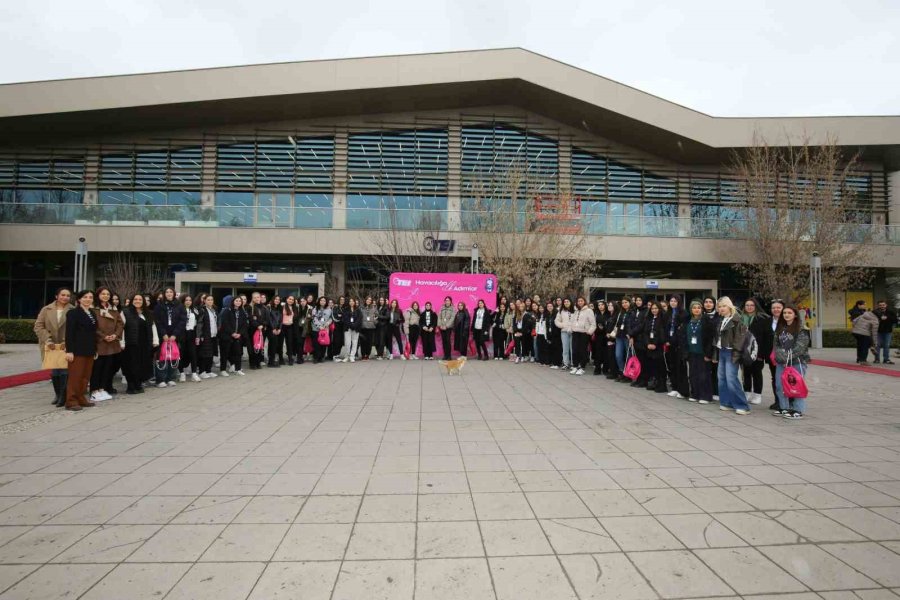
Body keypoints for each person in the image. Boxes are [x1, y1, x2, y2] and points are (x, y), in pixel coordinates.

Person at [34, 287, 74, 407]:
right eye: (63, 295)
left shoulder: (73, 310)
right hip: (50, 345)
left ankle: (63, 396)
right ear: (56, 296)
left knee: (64, 369)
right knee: (55, 370)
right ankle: (58, 394)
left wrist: (68, 341)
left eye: (68, 295)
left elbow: (75, 328)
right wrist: (47, 339)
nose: (65, 297)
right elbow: (38, 326)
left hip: (65, 345)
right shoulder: (46, 309)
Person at [773, 304, 811, 419]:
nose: (786, 315)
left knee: (796, 386)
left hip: (797, 362)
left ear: (795, 315)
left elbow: (800, 347)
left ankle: (798, 410)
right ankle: (784, 407)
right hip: (782, 362)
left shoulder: (802, 329)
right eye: (785, 313)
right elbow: (776, 345)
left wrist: (786, 357)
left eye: (789, 313)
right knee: (780, 385)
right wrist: (781, 356)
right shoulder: (780, 328)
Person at [713, 297, 750, 414]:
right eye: (719, 306)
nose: (721, 308)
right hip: (722, 351)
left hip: (731, 352)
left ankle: (742, 405)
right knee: (722, 378)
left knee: (731, 379)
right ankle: (726, 402)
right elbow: (717, 339)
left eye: (724, 306)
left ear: (729, 306)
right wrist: (715, 355)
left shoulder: (737, 320)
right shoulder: (722, 319)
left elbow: (740, 339)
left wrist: (736, 354)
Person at [64, 290, 98, 411]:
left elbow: (93, 333)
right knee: (75, 376)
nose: (88, 299)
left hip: (89, 349)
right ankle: (71, 401)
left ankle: (81, 397)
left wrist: (95, 349)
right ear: (79, 299)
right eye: (85, 297)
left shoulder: (92, 313)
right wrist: (69, 351)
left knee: (85, 376)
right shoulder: (73, 313)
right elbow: (69, 333)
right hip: (77, 350)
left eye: (90, 297)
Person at [89, 287, 124, 401]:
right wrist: (103, 336)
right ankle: (94, 390)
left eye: (108, 294)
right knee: (97, 368)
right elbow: (92, 326)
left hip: (112, 343)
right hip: (99, 343)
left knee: (107, 368)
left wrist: (115, 335)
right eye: (103, 294)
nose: (106, 296)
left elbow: (120, 324)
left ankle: (102, 389)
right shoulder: (93, 308)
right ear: (98, 295)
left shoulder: (113, 308)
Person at [121, 293, 157, 394]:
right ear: (132, 301)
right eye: (135, 299)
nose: (138, 301)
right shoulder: (125, 312)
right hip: (131, 343)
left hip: (144, 344)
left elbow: (153, 327)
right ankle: (131, 386)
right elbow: (121, 328)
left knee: (142, 365)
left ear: (143, 302)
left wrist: (155, 341)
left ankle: (138, 384)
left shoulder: (148, 313)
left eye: (140, 300)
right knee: (131, 365)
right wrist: (122, 342)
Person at [680, 300, 713, 404]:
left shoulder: (706, 320)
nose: (696, 310)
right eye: (694, 308)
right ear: (691, 309)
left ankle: (705, 396)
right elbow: (683, 337)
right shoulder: (688, 321)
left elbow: (710, 338)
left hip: (702, 353)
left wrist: (708, 353)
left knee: (703, 375)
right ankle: (695, 394)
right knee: (693, 374)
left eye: (698, 307)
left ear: (702, 309)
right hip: (691, 352)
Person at [153, 287, 186, 387]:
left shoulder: (179, 305)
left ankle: (171, 378)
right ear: (164, 294)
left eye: (171, 292)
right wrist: (163, 333)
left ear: (174, 293)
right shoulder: (159, 305)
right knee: (162, 357)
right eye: (167, 292)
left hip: (175, 336)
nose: (169, 293)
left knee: (173, 356)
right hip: (162, 336)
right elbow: (157, 321)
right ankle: (160, 379)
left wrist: (175, 334)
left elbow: (182, 320)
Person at [741, 298, 771, 405]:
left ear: (756, 306)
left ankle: (757, 394)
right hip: (744, 351)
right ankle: (747, 393)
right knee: (746, 373)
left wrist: (762, 354)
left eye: (752, 305)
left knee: (757, 373)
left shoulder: (763, 319)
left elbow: (766, 338)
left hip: (758, 351)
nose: (749, 307)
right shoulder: (741, 319)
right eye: (747, 305)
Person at [640, 301, 668, 392]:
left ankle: (662, 385)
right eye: (652, 308)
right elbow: (645, 333)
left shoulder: (663, 319)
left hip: (658, 346)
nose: (654, 310)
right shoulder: (649, 318)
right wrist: (648, 343)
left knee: (660, 366)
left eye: (656, 308)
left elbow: (662, 334)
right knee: (652, 365)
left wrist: (655, 344)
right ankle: (655, 382)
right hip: (649, 345)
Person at [665, 296, 689, 399]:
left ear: (679, 302)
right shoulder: (668, 313)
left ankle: (682, 390)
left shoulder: (684, 313)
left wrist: (674, 340)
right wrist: (667, 340)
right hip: (670, 344)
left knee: (680, 368)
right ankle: (674, 388)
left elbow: (682, 330)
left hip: (679, 344)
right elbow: (666, 328)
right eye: (671, 301)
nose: (673, 303)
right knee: (672, 366)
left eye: (675, 301)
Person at [218, 295, 247, 375]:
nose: (238, 302)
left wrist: (240, 333)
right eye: (236, 301)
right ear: (233, 302)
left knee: (238, 353)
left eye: (240, 301)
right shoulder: (227, 310)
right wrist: (232, 333)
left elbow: (244, 324)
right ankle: (223, 370)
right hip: (227, 336)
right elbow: (225, 323)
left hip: (238, 336)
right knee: (225, 353)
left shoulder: (242, 312)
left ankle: (238, 369)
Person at [177, 293, 201, 382]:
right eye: (186, 300)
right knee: (181, 354)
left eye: (190, 300)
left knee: (193, 354)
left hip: (191, 333)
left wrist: (198, 335)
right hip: (182, 334)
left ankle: (194, 373)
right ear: (183, 301)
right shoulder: (179, 310)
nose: (188, 302)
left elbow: (198, 323)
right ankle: (181, 373)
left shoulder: (194, 310)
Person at [570, 296, 596, 376]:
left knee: (582, 351)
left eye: (581, 301)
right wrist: (571, 328)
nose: (580, 302)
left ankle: (582, 367)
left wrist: (589, 332)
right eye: (578, 301)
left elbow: (593, 324)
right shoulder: (576, 311)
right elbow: (572, 321)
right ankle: (575, 366)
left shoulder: (589, 311)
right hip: (575, 332)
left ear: (584, 301)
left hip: (584, 333)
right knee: (575, 350)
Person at [766, 300, 785, 410]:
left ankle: (788, 401)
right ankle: (778, 401)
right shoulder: (767, 321)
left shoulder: (787, 321)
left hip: (785, 356)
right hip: (772, 356)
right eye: (774, 308)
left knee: (785, 378)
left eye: (778, 307)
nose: (776, 310)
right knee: (775, 378)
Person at [196, 294, 219, 378]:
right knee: (204, 354)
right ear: (204, 301)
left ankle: (208, 370)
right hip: (205, 335)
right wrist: (200, 335)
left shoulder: (214, 310)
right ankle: (202, 371)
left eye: (211, 300)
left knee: (211, 353)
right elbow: (199, 323)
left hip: (213, 335)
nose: (210, 301)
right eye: (208, 300)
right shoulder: (202, 310)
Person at [703, 296, 720, 399]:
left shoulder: (718, 317)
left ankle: (716, 392)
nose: (708, 304)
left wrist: (710, 352)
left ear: (714, 304)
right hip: (702, 348)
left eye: (710, 302)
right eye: (706, 302)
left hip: (714, 349)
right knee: (704, 372)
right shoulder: (700, 315)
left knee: (715, 372)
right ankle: (706, 391)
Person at [248, 292, 268, 370]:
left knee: (260, 347)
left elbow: (266, 319)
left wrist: (262, 325)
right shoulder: (250, 307)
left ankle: (258, 362)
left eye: (258, 297)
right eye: (255, 297)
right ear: (252, 299)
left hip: (261, 330)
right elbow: (251, 319)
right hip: (252, 330)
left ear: (260, 298)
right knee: (253, 347)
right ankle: (252, 363)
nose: (257, 299)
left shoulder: (264, 308)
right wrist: (257, 325)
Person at [873, 300, 897, 364]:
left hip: (888, 331)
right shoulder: (875, 312)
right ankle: (877, 359)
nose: (882, 306)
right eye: (880, 305)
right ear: (878, 305)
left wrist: (887, 318)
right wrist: (880, 319)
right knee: (877, 345)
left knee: (886, 345)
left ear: (886, 305)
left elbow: (895, 320)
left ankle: (886, 359)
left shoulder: (891, 312)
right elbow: (871, 320)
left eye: (883, 305)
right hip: (878, 331)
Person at [311, 296, 333, 364]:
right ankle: (316, 357)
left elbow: (331, 318)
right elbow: (314, 318)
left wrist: (327, 323)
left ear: (326, 302)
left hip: (325, 329)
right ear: (319, 301)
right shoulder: (315, 309)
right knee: (316, 344)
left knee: (324, 343)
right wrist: (319, 326)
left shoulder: (329, 309)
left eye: (324, 301)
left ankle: (321, 357)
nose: (322, 302)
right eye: (321, 300)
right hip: (316, 329)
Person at [555, 298, 574, 370]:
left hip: (573, 331)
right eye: (565, 302)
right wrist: (562, 325)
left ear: (570, 302)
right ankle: (566, 363)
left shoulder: (575, 310)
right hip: (564, 332)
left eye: (567, 301)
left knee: (572, 348)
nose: (566, 303)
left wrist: (574, 327)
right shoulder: (561, 311)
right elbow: (556, 321)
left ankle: (573, 363)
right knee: (565, 348)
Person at [265, 295, 284, 368]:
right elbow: (269, 319)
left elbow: (281, 320)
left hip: (278, 329)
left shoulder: (280, 308)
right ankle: (270, 362)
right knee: (272, 345)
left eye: (278, 299)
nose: (277, 300)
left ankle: (273, 360)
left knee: (276, 345)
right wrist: (273, 328)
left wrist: (279, 328)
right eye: (276, 299)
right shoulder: (269, 307)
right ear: (273, 300)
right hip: (271, 329)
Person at [341, 297, 362, 362]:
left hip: (356, 329)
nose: (351, 302)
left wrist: (354, 325)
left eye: (353, 301)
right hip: (348, 328)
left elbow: (359, 319)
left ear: (354, 302)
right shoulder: (345, 309)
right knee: (347, 343)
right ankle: (347, 356)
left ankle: (352, 356)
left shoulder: (358, 310)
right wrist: (351, 325)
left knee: (355, 343)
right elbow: (345, 319)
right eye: (350, 301)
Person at [281, 296, 298, 365]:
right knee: (280, 343)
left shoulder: (295, 308)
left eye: (292, 300)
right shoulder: (282, 306)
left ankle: (290, 358)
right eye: (289, 299)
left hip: (290, 327)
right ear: (286, 299)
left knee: (289, 343)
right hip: (282, 327)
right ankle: (280, 358)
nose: (291, 300)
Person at [592, 300, 607, 375]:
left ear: (605, 305)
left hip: (606, 335)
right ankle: (597, 369)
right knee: (598, 352)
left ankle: (605, 369)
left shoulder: (608, 314)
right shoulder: (596, 314)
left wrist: (604, 328)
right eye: (599, 305)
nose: (600, 306)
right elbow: (593, 324)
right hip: (598, 335)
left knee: (605, 352)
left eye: (602, 305)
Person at [360, 296, 378, 360]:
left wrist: (374, 321)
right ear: (365, 300)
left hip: (371, 327)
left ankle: (367, 354)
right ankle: (363, 355)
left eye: (370, 300)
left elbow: (377, 316)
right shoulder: (361, 308)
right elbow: (359, 316)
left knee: (369, 342)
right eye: (367, 299)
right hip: (363, 327)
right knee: (363, 342)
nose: (369, 301)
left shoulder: (374, 308)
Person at [296, 297, 312, 364]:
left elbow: (311, 317)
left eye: (304, 301)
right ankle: (299, 357)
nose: (302, 302)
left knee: (301, 343)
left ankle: (300, 357)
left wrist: (309, 317)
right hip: (297, 327)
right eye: (301, 301)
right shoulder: (297, 307)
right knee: (298, 343)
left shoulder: (310, 308)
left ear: (306, 301)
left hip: (305, 328)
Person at [331, 296, 346, 361]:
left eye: (343, 300)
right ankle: (334, 355)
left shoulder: (345, 308)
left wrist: (341, 317)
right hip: (337, 327)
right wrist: (341, 318)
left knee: (341, 342)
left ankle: (338, 354)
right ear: (339, 300)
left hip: (343, 327)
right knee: (336, 341)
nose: (342, 301)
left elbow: (345, 316)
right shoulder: (335, 307)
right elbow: (335, 317)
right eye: (341, 299)